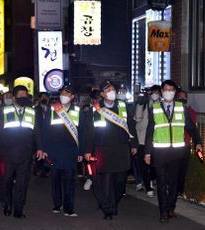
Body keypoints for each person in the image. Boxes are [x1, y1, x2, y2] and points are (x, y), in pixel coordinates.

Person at [144, 80, 202, 223]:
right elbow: (150, 131)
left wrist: (199, 143)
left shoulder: (181, 108)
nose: (169, 92)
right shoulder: (155, 108)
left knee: (174, 183)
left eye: (171, 89)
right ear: (162, 91)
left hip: (177, 153)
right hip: (159, 153)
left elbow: (191, 128)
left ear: (175, 92)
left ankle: (171, 207)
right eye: (166, 89)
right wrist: (147, 152)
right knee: (162, 184)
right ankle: (163, 211)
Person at [83, 80, 138, 220]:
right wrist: (87, 150)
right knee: (105, 182)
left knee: (120, 182)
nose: (111, 92)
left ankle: (112, 202)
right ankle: (108, 209)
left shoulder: (123, 106)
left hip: (121, 149)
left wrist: (135, 144)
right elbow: (89, 131)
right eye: (107, 90)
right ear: (102, 94)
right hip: (103, 150)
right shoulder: (95, 109)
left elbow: (131, 126)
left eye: (112, 89)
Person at [0, 85, 43, 218]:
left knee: (22, 182)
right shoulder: (5, 110)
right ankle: (7, 204)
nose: (23, 98)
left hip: (25, 153)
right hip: (7, 153)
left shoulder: (33, 112)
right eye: (21, 95)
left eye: (25, 95)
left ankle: (18, 209)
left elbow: (37, 132)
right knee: (7, 180)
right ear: (15, 97)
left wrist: (40, 148)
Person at [41, 85, 83, 217]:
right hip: (55, 150)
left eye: (67, 93)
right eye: (62, 93)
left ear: (72, 97)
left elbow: (82, 133)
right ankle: (57, 205)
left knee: (69, 180)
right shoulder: (53, 110)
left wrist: (80, 151)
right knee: (55, 179)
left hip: (71, 151)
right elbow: (45, 130)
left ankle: (69, 208)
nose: (64, 95)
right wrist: (45, 149)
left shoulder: (77, 110)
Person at [133, 85, 161, 197]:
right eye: (153, 92)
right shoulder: (144, 103)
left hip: (157, 139)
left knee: (155, 164)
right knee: (143, 165)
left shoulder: (161, 104)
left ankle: (151, 179)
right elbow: (137, 118)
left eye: (157, 92)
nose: (154, 94)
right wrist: (140, 104)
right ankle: (148, 187)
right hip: (142, 139)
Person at [176, 89, 197, 197]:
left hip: (185, 145)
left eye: (184, 97)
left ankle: (180, 191)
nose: (182, 99)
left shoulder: (191, 112)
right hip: (174, 145)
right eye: (180, 97)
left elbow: (192, 127)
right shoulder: (173, 110)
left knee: (182, 170)